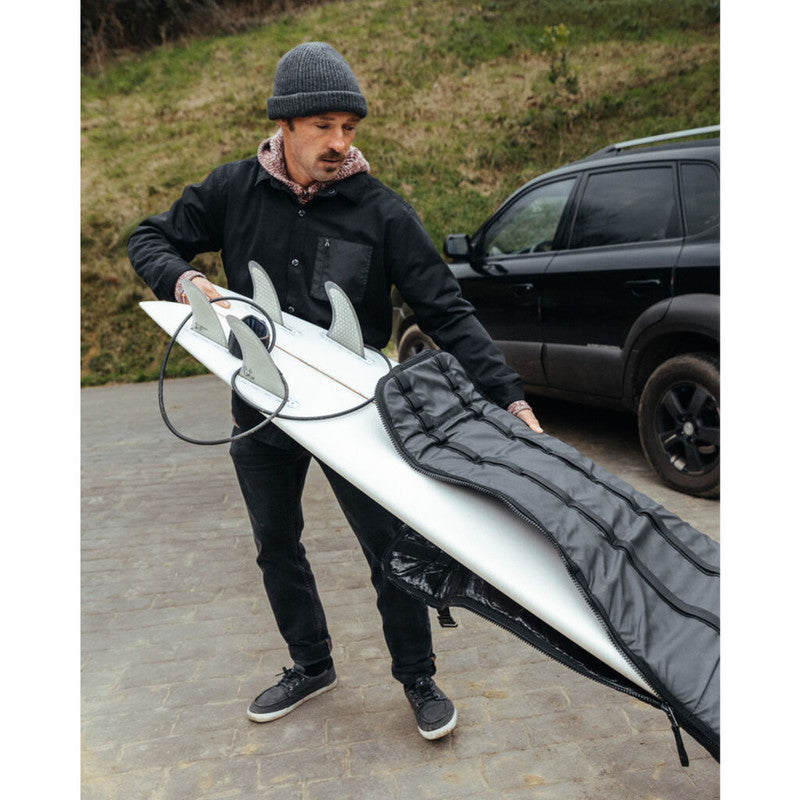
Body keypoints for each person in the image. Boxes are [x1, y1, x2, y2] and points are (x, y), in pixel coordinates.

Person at [128, 41, 542, 741]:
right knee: (275, 544)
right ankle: (311, 663)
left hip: (355, 412)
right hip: (261, 407)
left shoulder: (381, 211)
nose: (339, 142)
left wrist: (509, 397)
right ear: (284, 124)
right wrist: (184, 278)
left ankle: (417, 677)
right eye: (323, 126)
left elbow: (446, 311)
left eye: (348, 128)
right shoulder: (233, 191)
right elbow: (149, 238)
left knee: (390, 549)